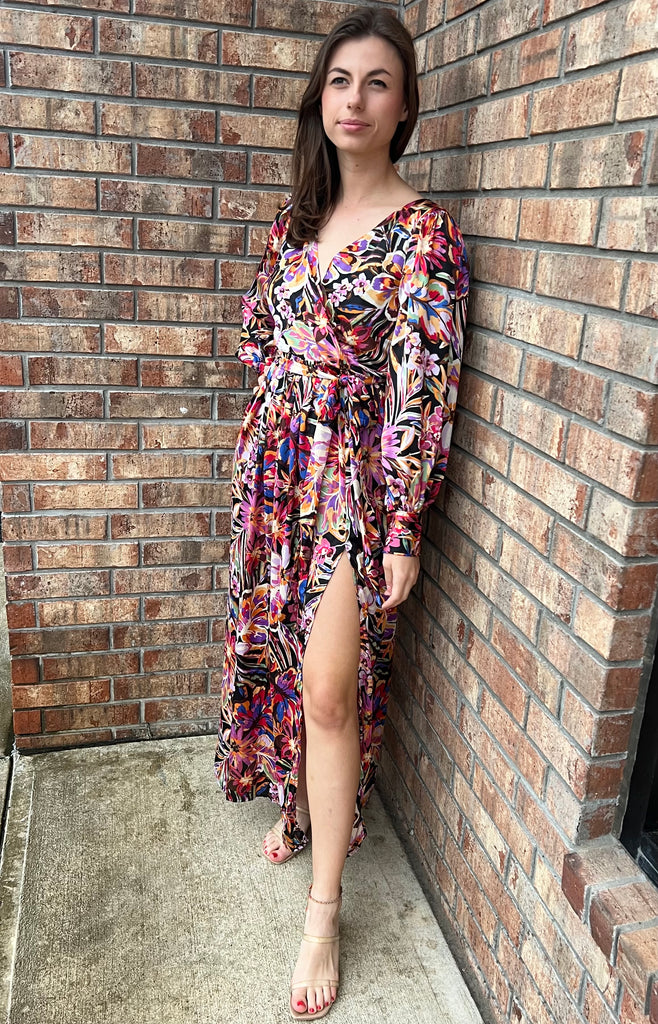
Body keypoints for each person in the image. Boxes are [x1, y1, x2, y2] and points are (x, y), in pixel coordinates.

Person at [214, 6, 469, 1019]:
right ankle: (296, 803)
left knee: (329, 691)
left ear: (405, 107)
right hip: (275, 472)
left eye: (377, 82)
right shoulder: (294, 222)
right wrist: (269, 432)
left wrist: (403, 523)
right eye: (339, 81)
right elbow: (256, 338)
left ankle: (324, 914)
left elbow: (425, 388)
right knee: (279, 655)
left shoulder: (425, 235)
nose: (354, 99)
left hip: (352, 483)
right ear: (319, 100)